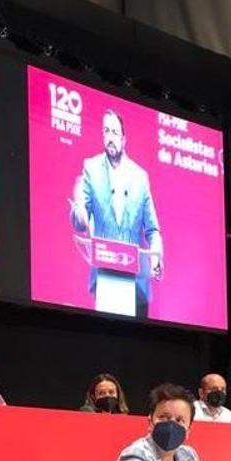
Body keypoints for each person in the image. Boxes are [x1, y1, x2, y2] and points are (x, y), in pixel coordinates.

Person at [70, 109, 163, 318]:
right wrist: (79, 213)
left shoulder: (140, 177)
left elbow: (153, 230)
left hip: (137, 284)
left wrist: (157, 256)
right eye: (106, 132)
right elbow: (79, 215)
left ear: (124, 138)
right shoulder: (91, 168)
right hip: (105, 278)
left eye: (114, 132)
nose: (110, 137)